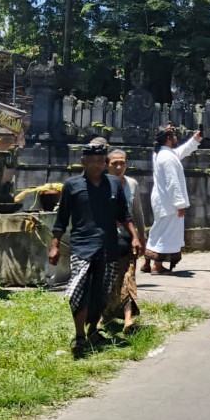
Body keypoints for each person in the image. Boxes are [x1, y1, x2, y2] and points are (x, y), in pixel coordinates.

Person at [50, 142, 142, 354]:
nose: (96, 165)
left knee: (101, 292)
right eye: (91, 161)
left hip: (108, 247)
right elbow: (61, 219)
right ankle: (79, 336)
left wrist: (135, 237)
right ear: (83, 162)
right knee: (79, 291)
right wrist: (54, 245)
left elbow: (124, 215)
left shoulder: (113, 185)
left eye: (100, 161)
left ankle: (93, 330)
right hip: (82, 246)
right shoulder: (72, 185)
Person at [146, 126, 202, 274]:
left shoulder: (163, 154)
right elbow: (173, 182)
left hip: (163, 201)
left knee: (158, 231)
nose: (177, 138)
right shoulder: (167, 157)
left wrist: (194, 140)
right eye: (174, 136)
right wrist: (180, 204)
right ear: (169, 139)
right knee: (165, 233)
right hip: (169, 202)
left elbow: (181, 152)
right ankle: (157, 266)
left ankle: (148, 263)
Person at [103, 148, 146, 332]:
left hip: (128, 238)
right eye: (115, 163)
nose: (119, 167)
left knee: (129, 277)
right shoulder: (101, 184)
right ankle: (104, 316)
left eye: (123, 163)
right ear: (107, 165)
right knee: (108, 281)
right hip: (107, 239)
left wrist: (142, 237)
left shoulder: (132, 184)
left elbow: (137, 213)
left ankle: (128, 320)